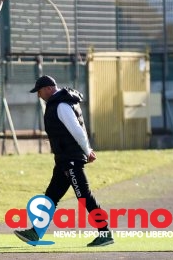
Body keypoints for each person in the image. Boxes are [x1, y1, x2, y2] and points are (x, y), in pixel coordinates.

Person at [14, 75, 114, 248]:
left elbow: (77, 130)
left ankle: (105, 232)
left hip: (70, 160)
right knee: (51, 196)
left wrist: (87, 150)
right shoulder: (60, 102)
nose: (39, 96)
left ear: (47, 88)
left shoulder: (60, 105)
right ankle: (36, 232)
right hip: (63, 160)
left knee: (84, 196)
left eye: (39, 92)